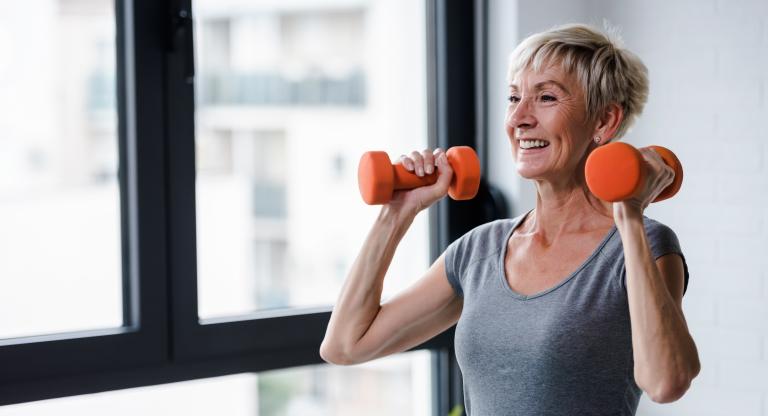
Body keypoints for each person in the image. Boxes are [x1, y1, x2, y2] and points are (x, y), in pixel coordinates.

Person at [320, 23, 700, 415]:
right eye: (514, 97)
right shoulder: (478, 250)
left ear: (603, 122)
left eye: (546, 97)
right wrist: (395, 215)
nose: (519, 118)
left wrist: (630, 215)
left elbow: (665, 382)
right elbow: (345, 345)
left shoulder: (643, 246)